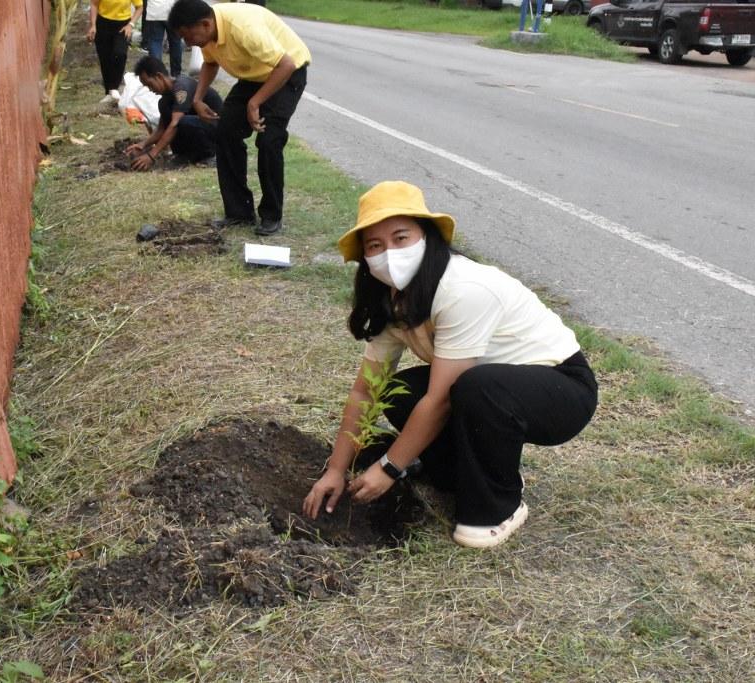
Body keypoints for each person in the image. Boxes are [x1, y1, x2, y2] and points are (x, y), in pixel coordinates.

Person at [302, 181, 598, 549]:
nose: (389, 254)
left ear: (426, 237)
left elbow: (442, 399)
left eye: (400, 238)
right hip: (489, 385)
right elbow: (367, 390)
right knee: (400, 394)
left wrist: (389, 468)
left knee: (473, 389)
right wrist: (335, 469)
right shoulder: (393, 302)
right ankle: (464, 473)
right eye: (375, 246)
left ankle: (501, 504)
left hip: (560, 387)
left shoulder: (462, 289)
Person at [168, 0, 310, 236]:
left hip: (286, 73)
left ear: (205, 24)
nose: (187, 42)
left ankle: (271, 215)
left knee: (269, 141)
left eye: (188, 36)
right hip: (254, 77)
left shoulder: (243, 28)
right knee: (225, 133)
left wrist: (255, 102)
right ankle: (239, 212)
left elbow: (286, 64)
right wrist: (197, 99)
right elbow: (210, 63)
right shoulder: (209, 32)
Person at [125, 56, 223, 170]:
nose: (150, 89)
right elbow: (161, 129)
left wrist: (151, 156)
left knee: (179, 122)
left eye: (150, 84)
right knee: (173, 121)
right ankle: (184, 155)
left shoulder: (182, 88)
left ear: (159, 76)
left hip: (218, 130)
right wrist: (143, 145)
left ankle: (211, 155)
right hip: (199, 127)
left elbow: (175, 124)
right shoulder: (164, 101)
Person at [87, 0, 144, 105]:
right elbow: (94, 4)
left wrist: (131, 24)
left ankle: (114, 88)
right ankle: (109, 92)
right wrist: (93, 25)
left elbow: (140, 7)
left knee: (120, 53)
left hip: (123, 25)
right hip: (103, 23)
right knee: (105, 58)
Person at [142, 0, 183, 78]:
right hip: (173, 9)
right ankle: (176, 74)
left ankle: (157, 72)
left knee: (155, 42)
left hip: (155, 11)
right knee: (176, 42)